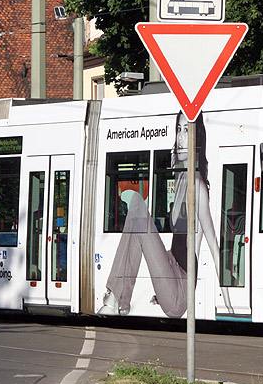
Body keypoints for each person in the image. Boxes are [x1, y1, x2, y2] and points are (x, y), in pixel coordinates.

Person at [98, 112, 230, 318]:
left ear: (198, 139)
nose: (180, 137)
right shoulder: (180, 180)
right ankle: (118, 300)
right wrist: (163, 279)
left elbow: (214, 246)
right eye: (178, 129)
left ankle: (115, 298)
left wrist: (229, 300)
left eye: (187, 130)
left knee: (137, 206)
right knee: (138, 217)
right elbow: (178, 249)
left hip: (181, 289)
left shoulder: (197, 185)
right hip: (172, 276)